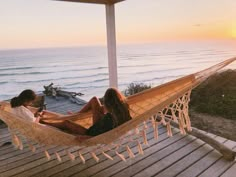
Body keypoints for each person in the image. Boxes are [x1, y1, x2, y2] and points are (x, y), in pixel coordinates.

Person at [10, 88, 132, 137]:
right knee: (95, 99)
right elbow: (127, 121)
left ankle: (43, 121)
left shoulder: (111, 117)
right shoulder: (123, 109)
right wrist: (102, 111)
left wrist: (83, 138)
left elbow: (97, 135)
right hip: (100, 125)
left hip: (92, 134)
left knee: (67, 123)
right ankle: (75, 115)